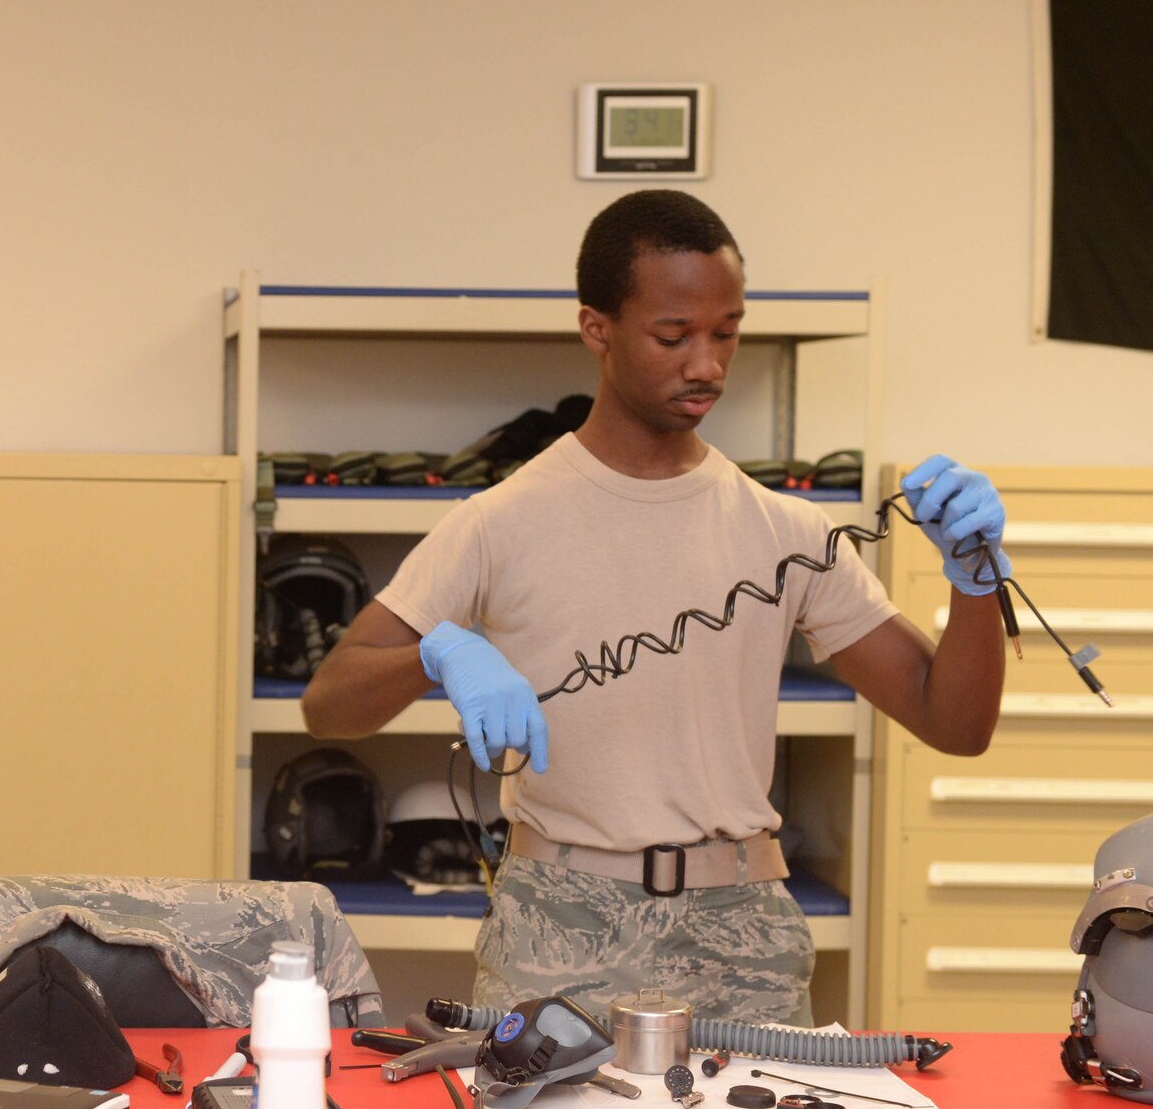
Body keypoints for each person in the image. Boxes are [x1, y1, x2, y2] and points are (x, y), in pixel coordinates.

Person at [301, 190, 1008, 1025]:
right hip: (558, 924)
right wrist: (435, 654)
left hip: (741, 926)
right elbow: (326, 704)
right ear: (596, 328)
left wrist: (976, 587)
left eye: (727, 332)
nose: (706, 363)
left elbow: (953, 723)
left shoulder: (783, 528)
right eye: (673, 336)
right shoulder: (503, 520)